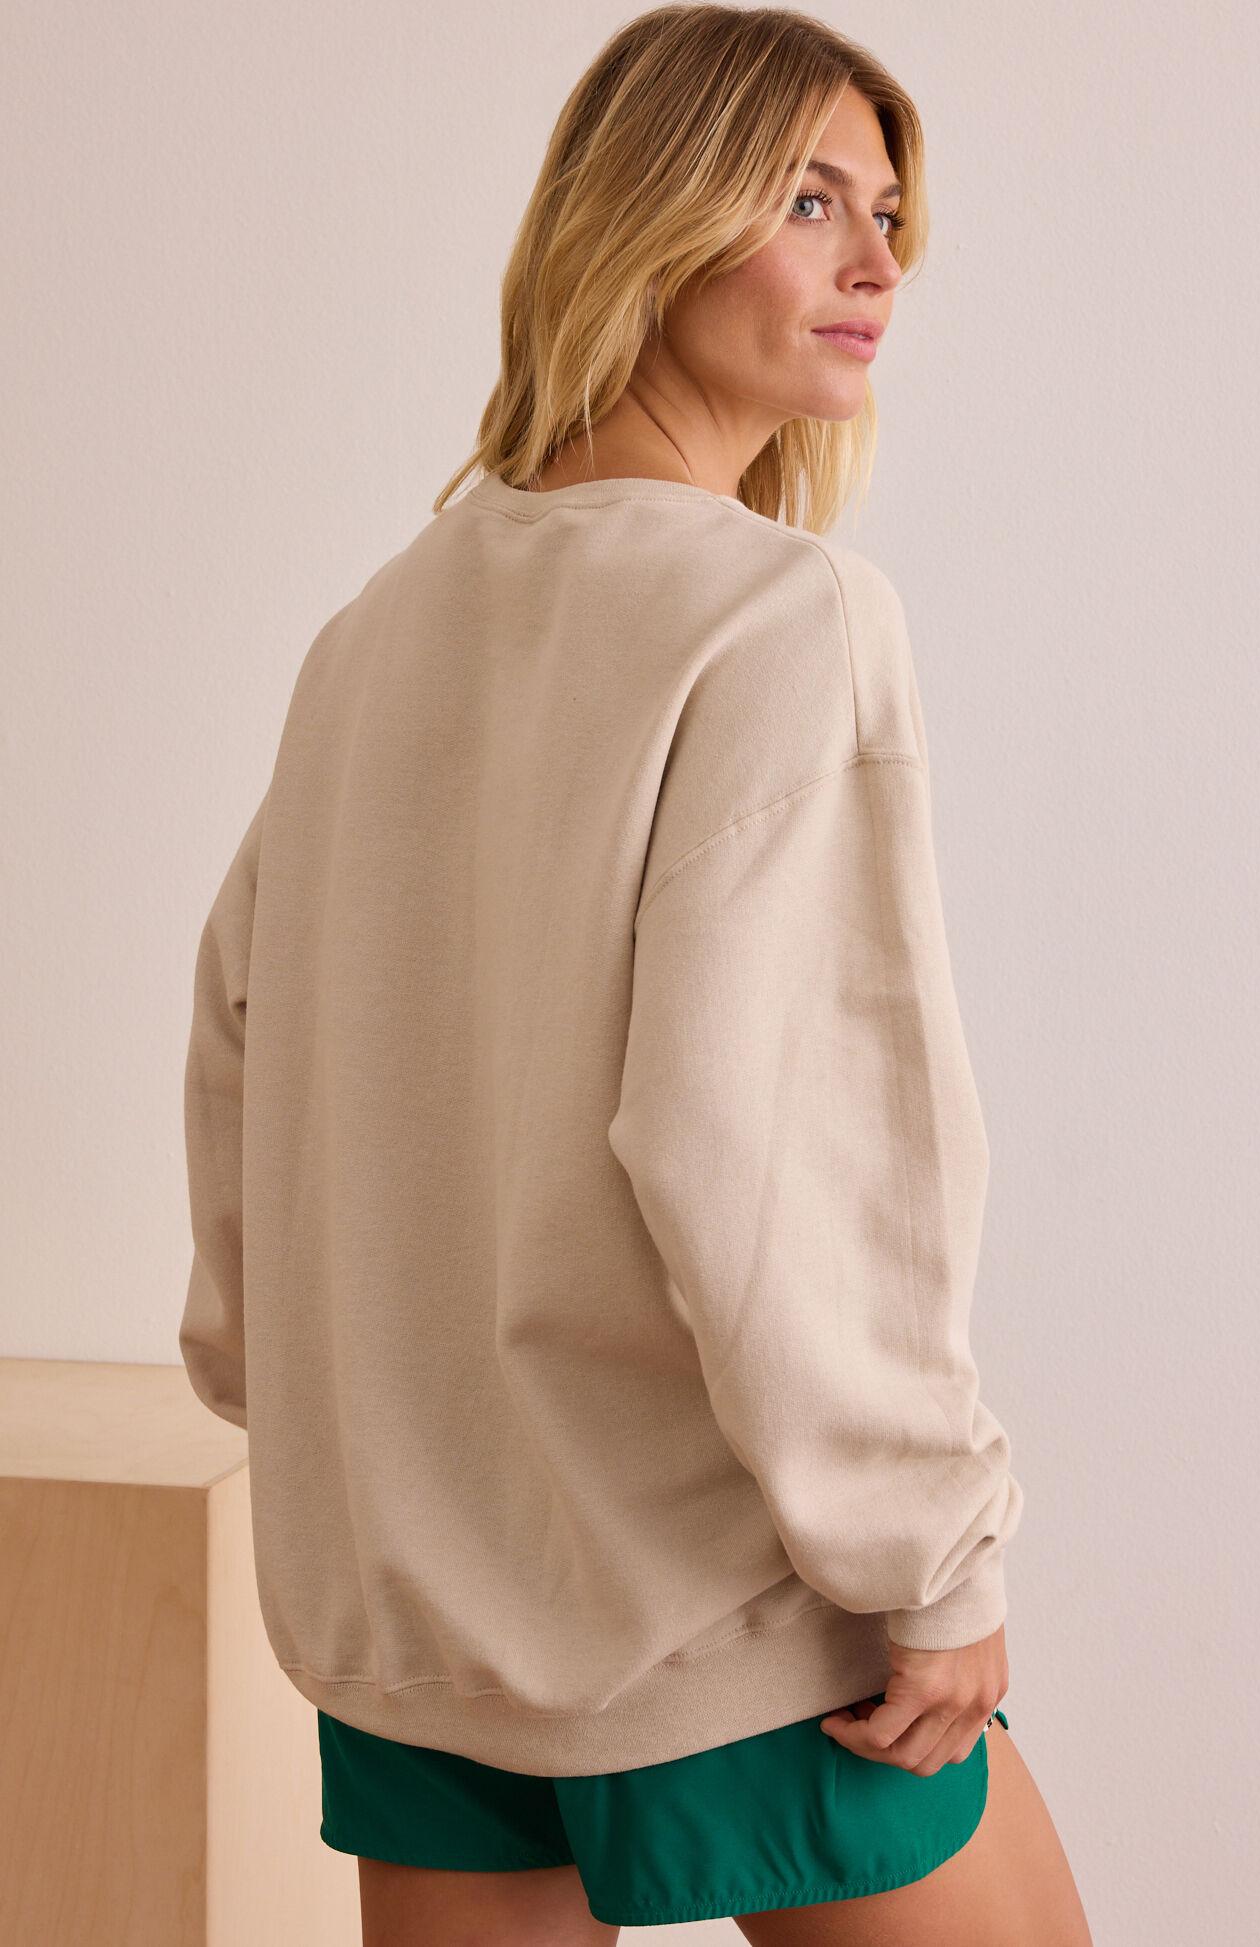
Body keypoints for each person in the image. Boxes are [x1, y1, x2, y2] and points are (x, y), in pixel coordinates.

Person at [180, 5, 1093, 1941]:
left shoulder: (377, 629)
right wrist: (930, 1552)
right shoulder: (776, 615)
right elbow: (794, 1151)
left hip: (414, 1611)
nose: (876, 263)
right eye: (806, 201)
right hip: (710, 1606)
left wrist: (319, 1413)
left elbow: (248, 1058)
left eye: (888, 212)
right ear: (651, 218)